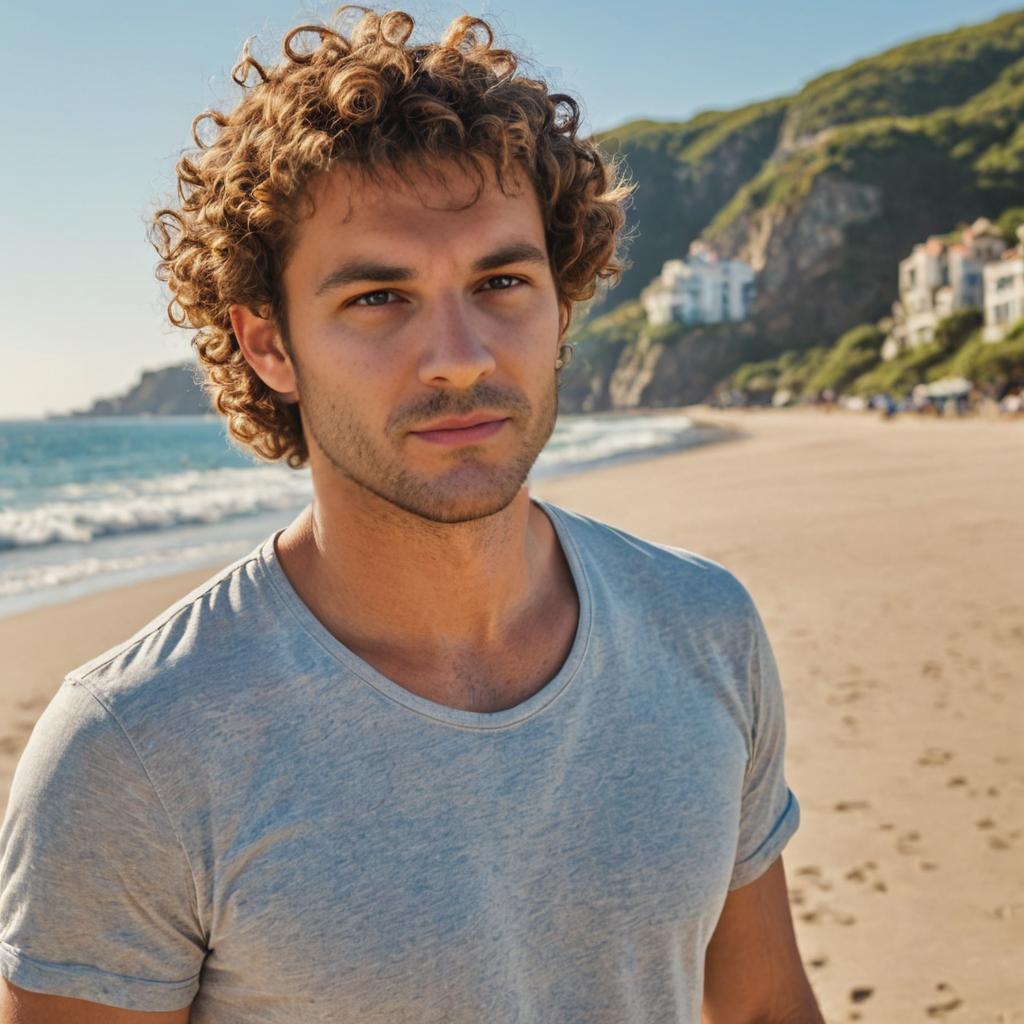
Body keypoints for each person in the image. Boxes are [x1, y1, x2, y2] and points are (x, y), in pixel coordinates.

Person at [0, 8, 823, 1022]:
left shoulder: (703, 628)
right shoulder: (133, 747)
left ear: (562, 307)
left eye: (503, 281)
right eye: (379, 298)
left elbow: (759, 1007)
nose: (461, 353)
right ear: (267, 345)